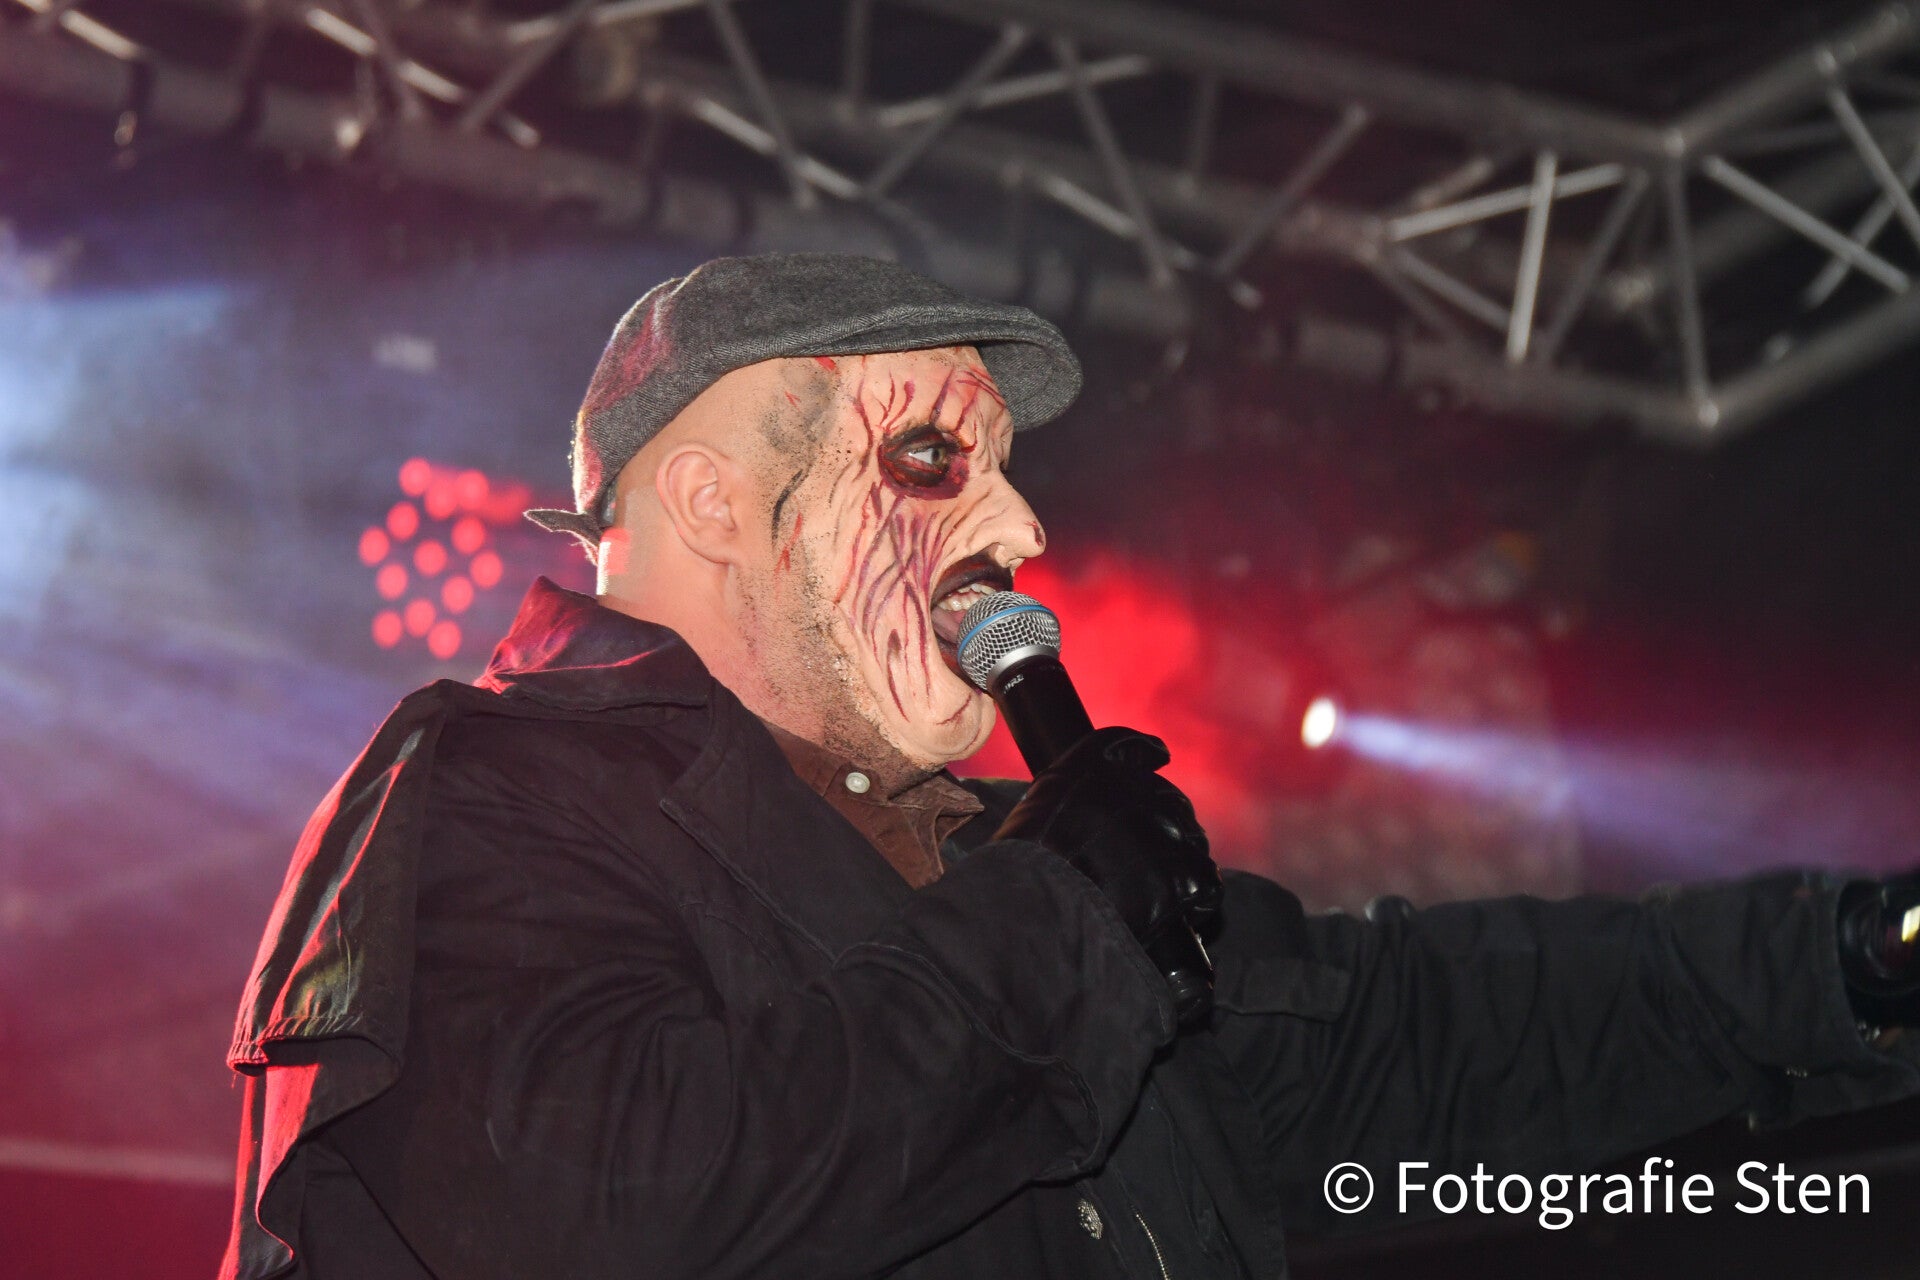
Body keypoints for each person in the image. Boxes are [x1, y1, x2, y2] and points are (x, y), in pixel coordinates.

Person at [222, 253, 1920, 1280]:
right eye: (934, 459)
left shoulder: (996, 875)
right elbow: (612, 1213)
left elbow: (1434, 1027)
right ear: (718, 501)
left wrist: (1850, 961)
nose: (1024, 524)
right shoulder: (495, 795)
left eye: (1009, 470)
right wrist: (1053, 929)